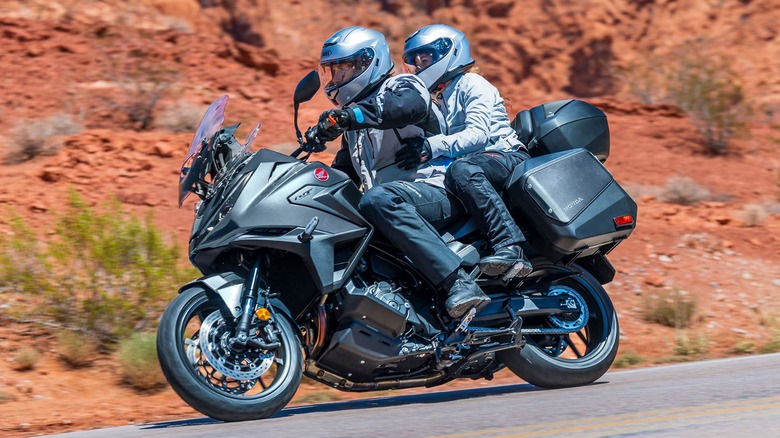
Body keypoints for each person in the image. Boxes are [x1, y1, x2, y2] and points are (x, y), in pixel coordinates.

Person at [308, 26, 490, 319]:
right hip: (396, 207)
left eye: (343, 69)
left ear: (367, 63)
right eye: (332, 71)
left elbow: (405, 108)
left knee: (377, 199)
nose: (336, 78)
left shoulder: (403, 86)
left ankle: (458, 282)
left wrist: (349, 116)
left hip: (436, 191)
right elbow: (342, 178)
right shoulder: (355, 128)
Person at [401, 24, 534, 279]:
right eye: (414, 62)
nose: (418, 67)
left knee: (461, 169)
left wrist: (431, 146)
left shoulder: (472, 83)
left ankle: (509, 244)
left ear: (449, 53)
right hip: (477, 163)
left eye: (424, 59)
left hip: (506, 156)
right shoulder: (439, 97)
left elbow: (477, 135)